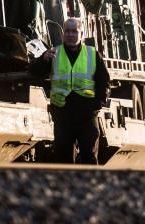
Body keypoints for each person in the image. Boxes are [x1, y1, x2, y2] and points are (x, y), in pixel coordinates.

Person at [31, 17, 110, 164]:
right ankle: (67, 186)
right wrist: (43, 59)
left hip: (86, 114)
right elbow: (35, 72)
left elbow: (104, 82)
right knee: (63, 157)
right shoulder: (54, 53)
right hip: (63, 114)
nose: (70, 34)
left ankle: (89, 185)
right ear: (63, 34)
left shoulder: (92, 54)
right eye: (67, 31)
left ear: (81, 34)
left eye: (74, 31)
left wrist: (97, 105)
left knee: (89, 156)